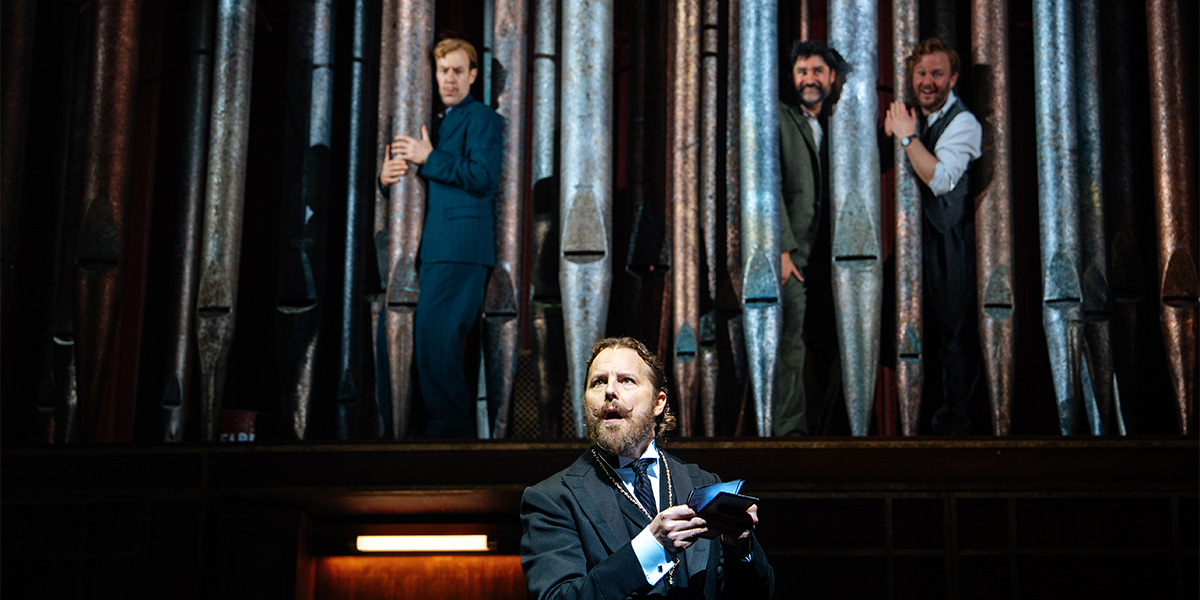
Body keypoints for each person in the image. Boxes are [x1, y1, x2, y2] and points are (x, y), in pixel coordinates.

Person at [520, 337, 774, 600]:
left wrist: (739, 548)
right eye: (598, 382)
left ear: (658, 402)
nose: (610, 391)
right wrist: (650, 547)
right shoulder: (552, 500)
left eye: (626, 380)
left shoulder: (702, 482)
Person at [379, 38, 503, 437]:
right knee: (400, 340)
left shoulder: (481, 118)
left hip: (459, 246)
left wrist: (428, 157)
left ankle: (449, 439)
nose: (449, 78)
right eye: (442, 70)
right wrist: (386, 182)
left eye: (457, 71)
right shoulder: (435, 120)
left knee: (438, 342)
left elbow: (483, 176)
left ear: (472, 75)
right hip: (429, 246)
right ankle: (410, 432)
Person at [883, 37, 982, 435]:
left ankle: (956, 428)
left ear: (953, 78)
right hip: (916, 242)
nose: (927, 82)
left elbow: (941, 180)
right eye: (921, 73)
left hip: (949, 244)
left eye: (937, 74)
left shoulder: (964, 123)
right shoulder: (914, 116)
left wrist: (907, 138)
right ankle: (919, 425)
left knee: (952, 338)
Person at [776, 40, 845, 436]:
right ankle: (791, 430)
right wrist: (783, 247)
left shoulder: (839, 123)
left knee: (832, 344)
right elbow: (769, 186)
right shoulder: (781, 118)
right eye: (802, 72)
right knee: (792, 343)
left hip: (833, 255)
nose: (809, 79)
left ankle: (829, 428)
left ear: (831, 77)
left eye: (817, 71)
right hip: (796, 252)